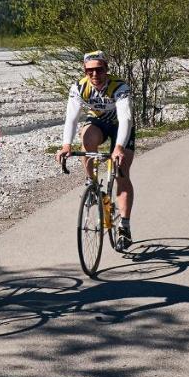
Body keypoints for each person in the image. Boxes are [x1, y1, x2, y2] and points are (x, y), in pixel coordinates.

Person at [55, 50, 136, 247]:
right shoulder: (79, 87)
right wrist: (66, 145)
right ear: (84, 71)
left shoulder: (120, 87)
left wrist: (118, 147)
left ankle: (124, 226)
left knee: (121, 172)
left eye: (99, 70)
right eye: (89, 70)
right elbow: (72, 118)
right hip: (98, 122)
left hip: (120, 126)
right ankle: (90, 181)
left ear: (106, 69)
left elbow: (125, 118)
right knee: (87, 136)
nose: (94, 74)